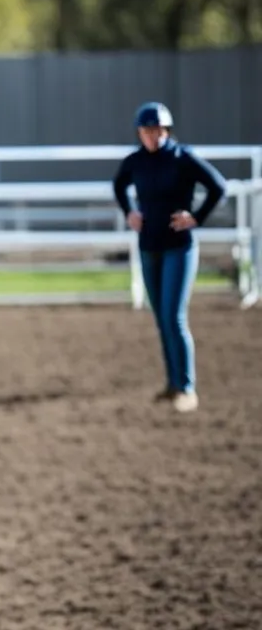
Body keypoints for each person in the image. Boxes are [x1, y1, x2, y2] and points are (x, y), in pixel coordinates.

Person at [113, 101, 226, 413]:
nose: (152, 136)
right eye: (146, 131)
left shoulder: (182, 158)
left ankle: (187, 387)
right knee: (161, 318)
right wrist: (129, 212)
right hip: (149, 246)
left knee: (174, 317)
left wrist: (197, 217)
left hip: (179, 246)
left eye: (157, 130)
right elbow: (119, 185)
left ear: (165, 130)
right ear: (140, 133)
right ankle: (172, 383)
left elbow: (218, 186)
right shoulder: (135, 162)